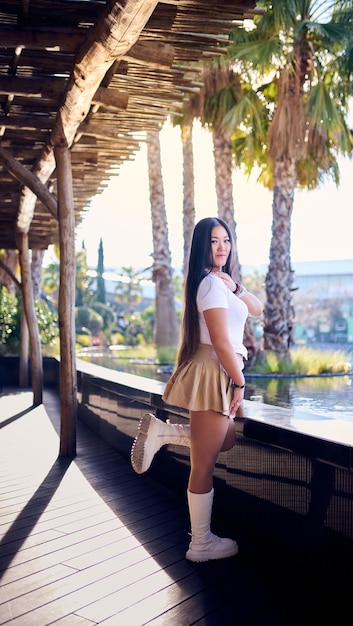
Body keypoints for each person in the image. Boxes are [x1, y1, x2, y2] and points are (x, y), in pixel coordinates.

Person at [131, 216, 263, 562]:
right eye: (214, 242)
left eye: (226, 241)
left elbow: (258, 310)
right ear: (203, 246)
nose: (222, 248)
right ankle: (200, 543)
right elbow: (220, 341)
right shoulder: (208, 285)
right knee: (203, 464)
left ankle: (165, 432)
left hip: (219, 368)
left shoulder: (220, 283)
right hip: (215, 369)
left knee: (226, 439)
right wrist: (239, 382)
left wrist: (236, 287)